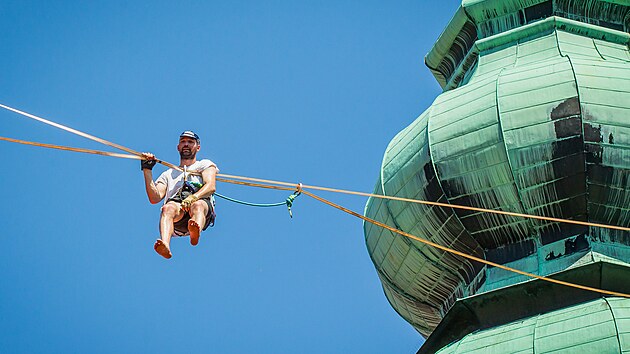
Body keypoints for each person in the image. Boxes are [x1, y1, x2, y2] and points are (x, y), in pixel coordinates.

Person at [141, 131, 219, 259]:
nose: (186, 144)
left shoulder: (204, 164)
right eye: (183, 141)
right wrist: (147, 169)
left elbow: (210, 186)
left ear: (198, 147)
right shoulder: (168, 174)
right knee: (168, 208)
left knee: (198, 205)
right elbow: (154, 198)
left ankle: (196, 230)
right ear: (178, 147)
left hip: (199, 207)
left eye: (190, 142)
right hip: (178, 214)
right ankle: (165, 243)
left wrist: (193, 197)